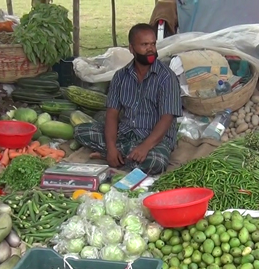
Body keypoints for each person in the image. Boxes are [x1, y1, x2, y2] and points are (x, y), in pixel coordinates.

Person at [74, 23, 182, 175]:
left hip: (154, 140)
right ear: (131, 49)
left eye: (153, 44)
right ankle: (125, 157)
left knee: (155, 162)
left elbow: (167, 118)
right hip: (124, 134)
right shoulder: (120, 77)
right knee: (80, 131)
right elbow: (112, 114)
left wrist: (145, 147)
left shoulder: (166, 77)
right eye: (144, 45)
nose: (150, 49)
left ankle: (118, 157)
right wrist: (111, 148)